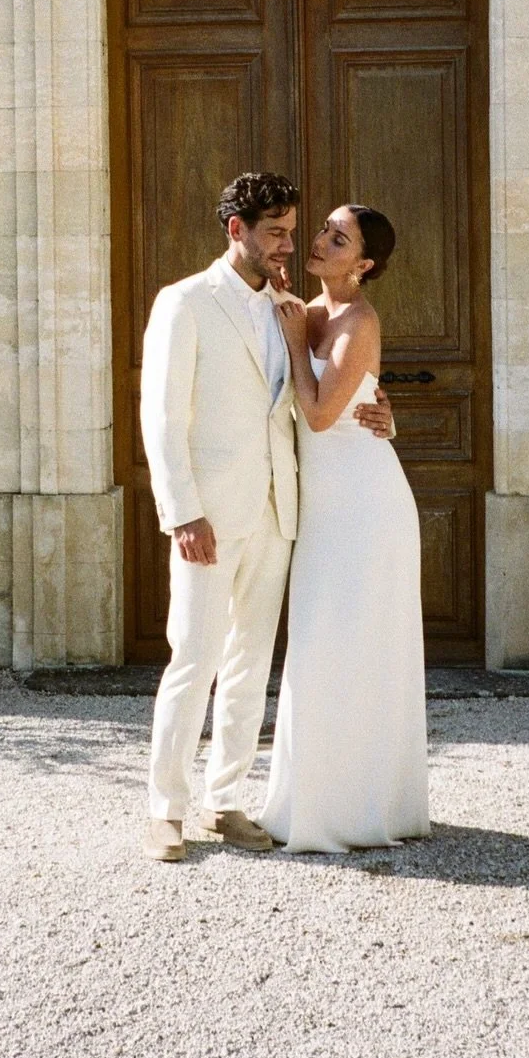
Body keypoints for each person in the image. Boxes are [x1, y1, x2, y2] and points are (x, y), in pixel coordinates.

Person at [140, 171, 393, 864]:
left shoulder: (291, 305)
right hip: (210, 518)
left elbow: (343, 370)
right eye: (276, 232)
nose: (290, 244)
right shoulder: (184, 303)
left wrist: (382, 408)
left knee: (251, 663)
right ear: (237, 231)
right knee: (192, 659)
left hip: (279, 510)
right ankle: (165, 812)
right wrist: (182, 512)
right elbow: (160, 418)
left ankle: (224, 802)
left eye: (293, 231)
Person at [262, 204, 430, 853]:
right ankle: (316, 801)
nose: (321, 240)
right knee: (319, 646)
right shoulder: (310, 311)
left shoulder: (358, 320)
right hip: (326, 508)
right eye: (324, 229)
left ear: (362, 265)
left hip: (366, 506)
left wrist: (292, 340)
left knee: (357, 649)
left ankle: (361, 809)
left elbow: (320, 414)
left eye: (339, 237)